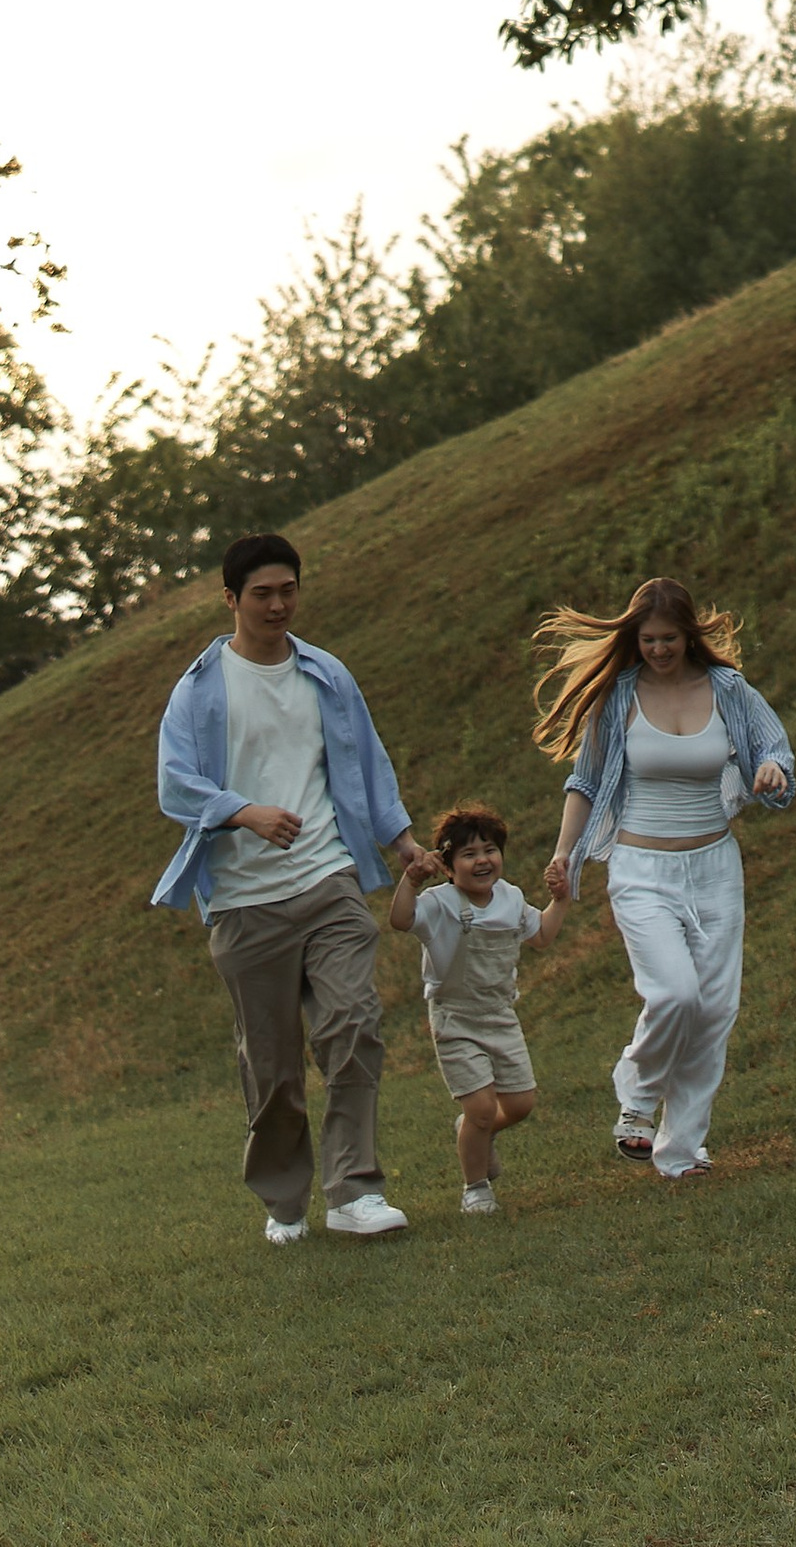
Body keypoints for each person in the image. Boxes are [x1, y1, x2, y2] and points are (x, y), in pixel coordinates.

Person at [152, 530, 429, 1244]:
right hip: (245, 903)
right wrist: (243, 811)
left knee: (353, 1025)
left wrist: (401, 843)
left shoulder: (326, 674)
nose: (278, 605)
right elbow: (177, 785)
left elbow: (369, 762)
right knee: (272, 1070)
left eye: (288, 590)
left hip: (327, 877)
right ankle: (284, 1200)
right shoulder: (200, 689)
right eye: (262, 593)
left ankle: (355, 1191)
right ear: (231, 599)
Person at [536, 574, 793, 1182]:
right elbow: (586, 783)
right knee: (675, 992)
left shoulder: (728, 689)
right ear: (635, 638)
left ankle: (681, 1152)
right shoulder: (618, 696)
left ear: (690, 636)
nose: (658, 650)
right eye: (648, 639)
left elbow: (772, 747)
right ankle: (638, 1092)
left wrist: (773, 772)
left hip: (714, 868)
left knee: (713, 1010)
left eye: (669, 638)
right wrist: (565, 856)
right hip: (640, 868)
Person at [388, 800, 570, 1217]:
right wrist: (410, 883)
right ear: (449, 867)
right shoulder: (438, 903)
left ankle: (472, 1130)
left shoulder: (511, 899)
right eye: (468, 854)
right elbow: (400, 920)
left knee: (521, 1104)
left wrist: (559, 900)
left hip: (500, 1014)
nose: (482, 860)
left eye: (489, 850)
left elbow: (540, 936)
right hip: (455, 1018)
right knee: (482, 1108)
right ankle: (476, 1187)